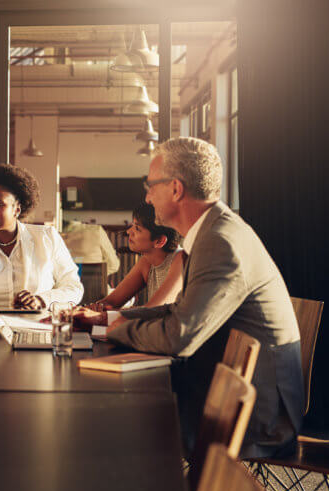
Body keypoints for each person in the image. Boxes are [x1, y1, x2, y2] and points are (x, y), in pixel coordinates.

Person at [106, 137, 304, 460]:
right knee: (124, 406)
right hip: (232, 386)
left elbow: (178, 336)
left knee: (123, 416)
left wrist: (113, 330)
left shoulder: (220, 242)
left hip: (257, 415)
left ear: (175, 189)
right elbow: (180, 312)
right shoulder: (213, 231)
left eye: (150, 186)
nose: (147, 196)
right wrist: (117, 319)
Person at [0, 164, 83, 309]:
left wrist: (41, 300)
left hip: (35, 324)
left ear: (16, 210)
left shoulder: (47, 238)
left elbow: (73, 287)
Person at [73, 203, 184, 328]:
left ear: (159, 241)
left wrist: (99, 317)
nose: (128, 231)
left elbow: (154, 310)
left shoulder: (180, 260)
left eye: (137, 229)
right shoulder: (146, 261)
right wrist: (79, 312)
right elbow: (112, 302)